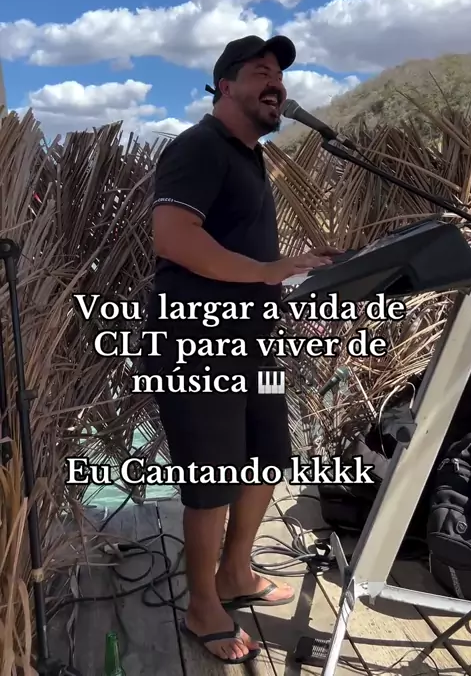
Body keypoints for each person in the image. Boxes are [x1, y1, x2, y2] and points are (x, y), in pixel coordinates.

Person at [142, 34, 338, 664]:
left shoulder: (248, 157)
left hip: (250, 342)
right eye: (260, 72)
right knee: (212, 479)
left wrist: (291, 269)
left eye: (278, 74)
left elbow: (242, 251)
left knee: (266, 461)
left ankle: (235, 573)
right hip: (195, 342)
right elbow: (174, 238)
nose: (275, 83)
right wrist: (266, 272)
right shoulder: (198, 147)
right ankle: (203, 604)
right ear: (224, 86)